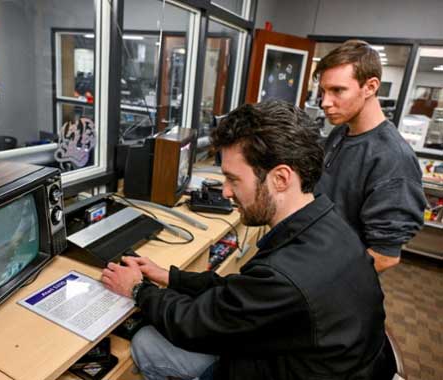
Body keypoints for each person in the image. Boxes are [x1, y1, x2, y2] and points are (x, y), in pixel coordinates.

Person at [101, 100, 389, 380]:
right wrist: (170, 277)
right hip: (332, 362)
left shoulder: (285, 275)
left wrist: (138, 290)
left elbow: (195, 325)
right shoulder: (328, 224)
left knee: (146, 343)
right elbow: (243, 295)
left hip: (278, 369)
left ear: (280, 178)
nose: (225, 192)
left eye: (233, 179)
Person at [313, 40, 426, 273]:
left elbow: (384, 255)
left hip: (334, 284)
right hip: (317, 257)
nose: (325, 102)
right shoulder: (341, 132)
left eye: (337, 90)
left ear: (371, 87)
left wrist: (323, 285)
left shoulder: (393, 159)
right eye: (323, 91)